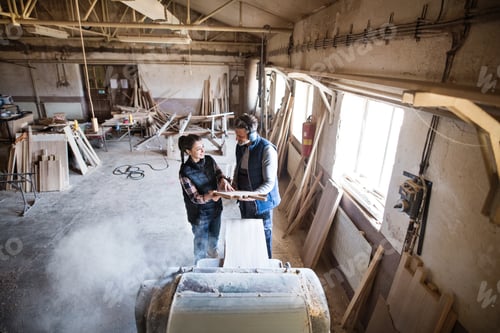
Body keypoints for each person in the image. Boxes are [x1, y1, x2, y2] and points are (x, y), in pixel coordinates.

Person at [178, 134, 233, 264]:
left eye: (203, 147)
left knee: (214, 237)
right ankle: (200, 264)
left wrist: (223, 180)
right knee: (200, 243)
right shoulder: (185, 172)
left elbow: (219, 173)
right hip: (199, 214)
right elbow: (194, 197)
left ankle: (212, 253)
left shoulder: (209, 160)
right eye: (198, 149)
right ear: (188, 152)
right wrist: (210, 196)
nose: (203, 151)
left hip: (215, 209)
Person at [232, 113, 281, 258]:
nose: (237, 139)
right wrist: (234, 183)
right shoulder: (240, 146)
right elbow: (238, 166)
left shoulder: (266, 150)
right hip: (245, 197)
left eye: (240, 136)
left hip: (262, 201)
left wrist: (253, 195)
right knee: (247, 230)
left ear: (252, 134)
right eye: (236, 135)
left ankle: (266, 265)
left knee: (263, 234)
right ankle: (250, 260)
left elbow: (269, 182)